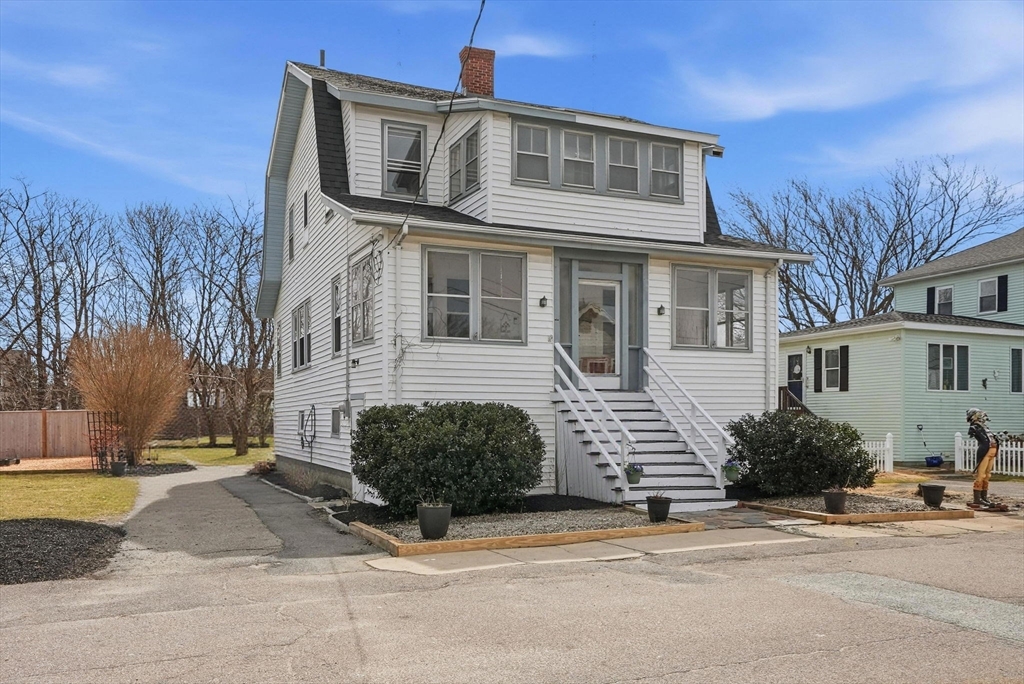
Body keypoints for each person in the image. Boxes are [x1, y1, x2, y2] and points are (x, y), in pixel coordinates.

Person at [966, 408, 999, 508]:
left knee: (988, 475)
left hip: (992, 452)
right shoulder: (975, 427)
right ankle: (977, 498)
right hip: (985, 452)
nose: (982, 417)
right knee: (981, 475)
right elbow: (976, 434)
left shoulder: (985, 427)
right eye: (979, 415)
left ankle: (984, 497)